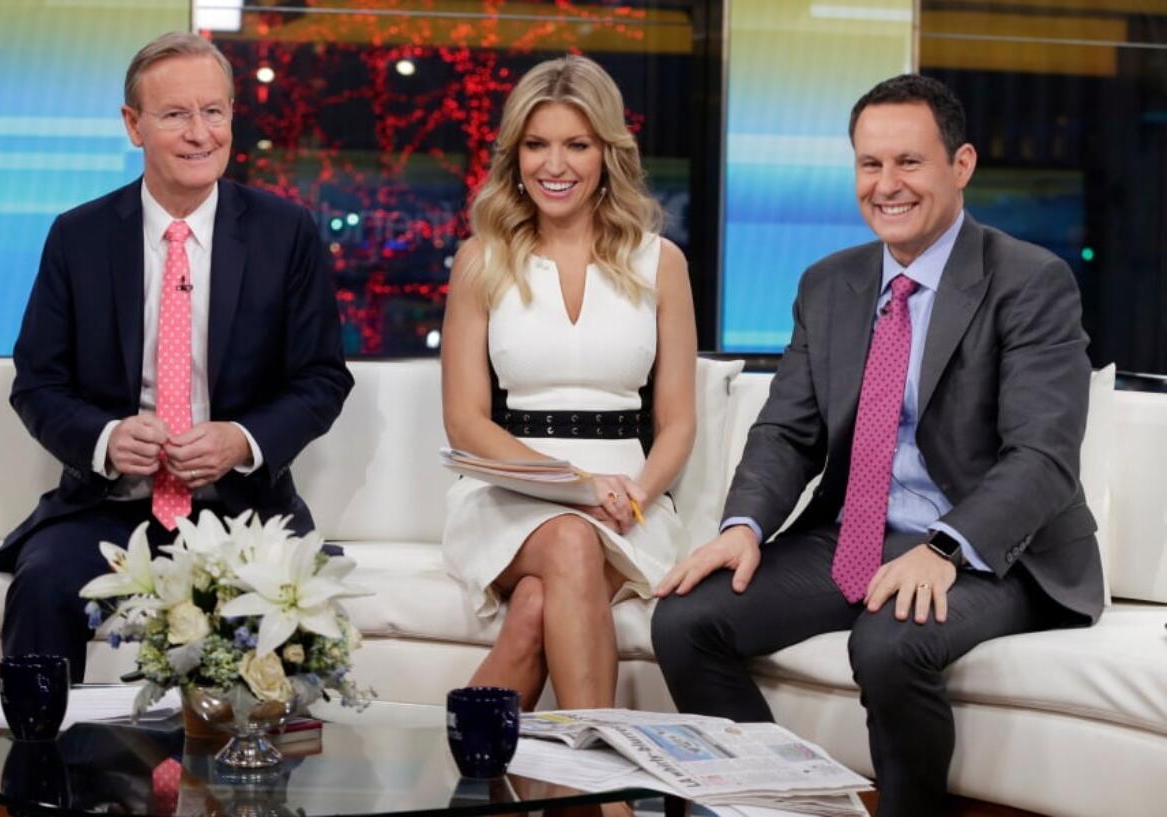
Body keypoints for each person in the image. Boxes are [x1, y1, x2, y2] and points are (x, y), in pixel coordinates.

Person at [651, 74, 1103, 817]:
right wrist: (743, 526)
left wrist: (947, 548)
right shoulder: (829, 284)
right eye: (870, 164)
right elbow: (786, 429)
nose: (886, 185)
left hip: (996, 550)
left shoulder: (1029, 281)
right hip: (859, 534)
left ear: (960, 165)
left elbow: (1044, 456)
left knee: (890, 640)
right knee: (685, 618)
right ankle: (783, 809)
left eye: (909, 163)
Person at [0, 32, 353, 682]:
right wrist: (106, 438)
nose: (200, 133)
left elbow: (322, 378)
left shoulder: (284, 233)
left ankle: (259, 780)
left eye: (215, 111)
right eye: (176, 114)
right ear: (134, 125)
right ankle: (37, 777)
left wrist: (240, 439)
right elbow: (37, 384)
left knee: (293, 613)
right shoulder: (79, 237)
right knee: (41, 586)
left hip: (244, 505)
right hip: (109, 506)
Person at [440, 54, 698, 711]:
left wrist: (636, 491)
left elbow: (677, 421)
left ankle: (479, 787)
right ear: (515, 155)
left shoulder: (660, 262)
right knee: (569, 537)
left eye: (576, 145)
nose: (555, 166)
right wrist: (576, 486)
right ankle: (604, 796)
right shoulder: (481, 259)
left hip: (629, 504)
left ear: (606, 151)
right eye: (537, 145)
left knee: (534, 606)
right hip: (507, 493)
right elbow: (465, 422)